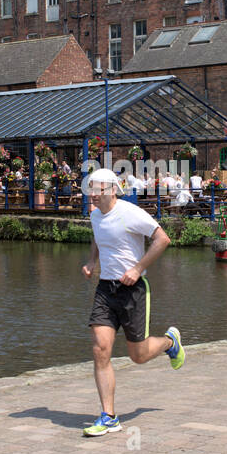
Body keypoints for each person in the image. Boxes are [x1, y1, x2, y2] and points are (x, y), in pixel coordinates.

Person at [81, 168, 185, 436]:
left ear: (112, 190)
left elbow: (162, 239)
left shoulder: (131, 213)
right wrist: (92, 260)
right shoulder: (94, 215)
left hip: (133, 289)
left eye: (97, 188)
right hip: (105, 289)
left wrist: (138, 268)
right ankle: (109, 416)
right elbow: (96, 234)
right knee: (100, 349)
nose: (92, 193)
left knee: (137, 356)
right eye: (90, 188)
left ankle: (170, 342)